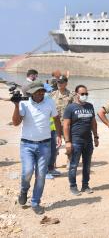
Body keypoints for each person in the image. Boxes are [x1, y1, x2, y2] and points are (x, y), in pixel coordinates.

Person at [12, 81, 62, 215]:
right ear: (30, 92)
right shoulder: (24, 103)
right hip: (27, 144)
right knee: (27, 171)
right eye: (37, 91)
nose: (40, 93)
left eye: (42, 91)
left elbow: (56, 119)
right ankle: (24, 190)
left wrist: (59, 134)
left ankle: (35, 202)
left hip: (45, 145)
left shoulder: (49, 102)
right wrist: (16, 105)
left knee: (41, 175)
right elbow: (16, 123)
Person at [63, 85, 99, 195]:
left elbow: (93, 122)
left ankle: (85, 185)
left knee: (87, 165)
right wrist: (68, 142)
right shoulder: (70, 108)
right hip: (75, 141)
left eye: (86, 94)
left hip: (88, 141)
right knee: (73, 165)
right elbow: (66, 126)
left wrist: (96, 137)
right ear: (76, 94)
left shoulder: (90, 106)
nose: (84, 96)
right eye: (82, 94)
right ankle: (73, 186)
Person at [48, 75, 74, 177]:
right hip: (55, 125)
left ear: (66, 83)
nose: (59, 84)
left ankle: (69, 160)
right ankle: (52, 163)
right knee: (55, 145)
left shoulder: (71, 95)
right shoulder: (52, 94)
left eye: (62, 82)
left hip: (67, 125)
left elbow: (75, 109)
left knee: (69, 144)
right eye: (58, 82)